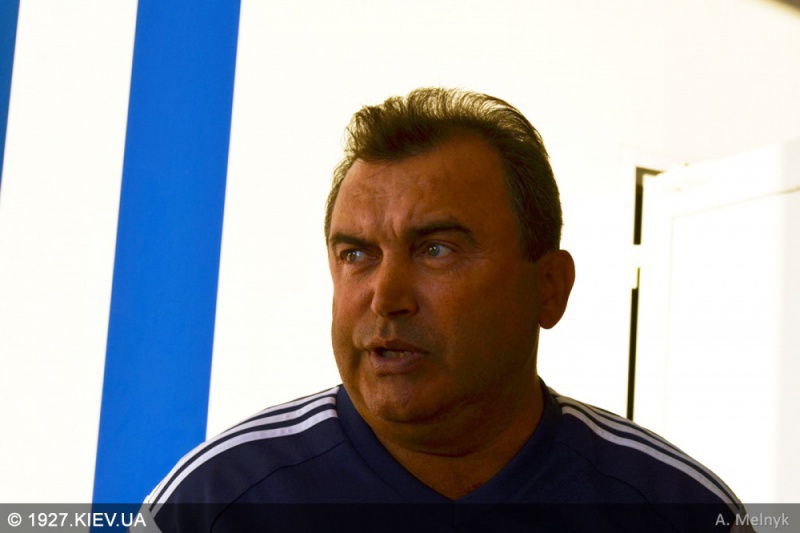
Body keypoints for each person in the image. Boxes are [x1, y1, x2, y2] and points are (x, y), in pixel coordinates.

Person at [139, 88, 748, 532]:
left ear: (549, 288)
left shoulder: (681, 510)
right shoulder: (214, 503)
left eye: (436, 249)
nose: (386, 297)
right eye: (356, 254)